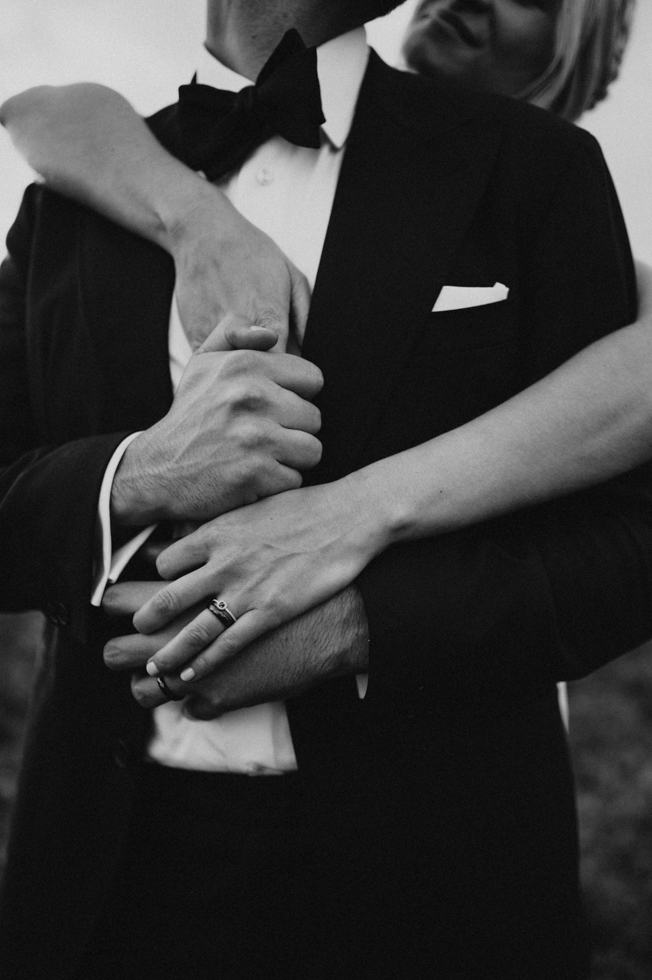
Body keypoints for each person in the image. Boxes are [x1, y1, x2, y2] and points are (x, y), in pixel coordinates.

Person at [1, 1, 652, 977]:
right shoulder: (80, 191)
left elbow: (628, 540)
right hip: (102, 875)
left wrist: (360, 624)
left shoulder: (539, 170)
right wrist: (133, 475)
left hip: (434, 883)